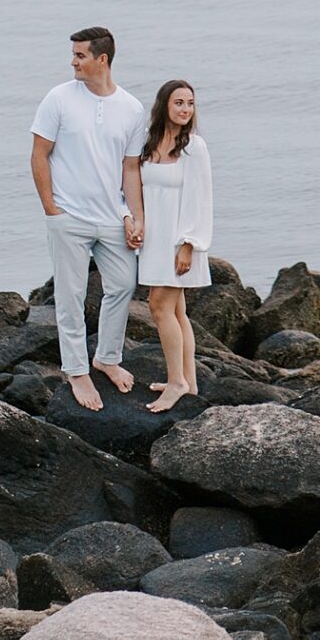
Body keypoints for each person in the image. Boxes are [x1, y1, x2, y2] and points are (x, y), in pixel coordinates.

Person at [30, 28, 147, 413]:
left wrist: (135, 217)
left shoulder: (131, 108)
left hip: (112, 217)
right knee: (70, 295)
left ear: (102, 59)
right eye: (73, 54)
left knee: (122, 284)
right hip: (69, 216)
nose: (73, 61)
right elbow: (39, 154)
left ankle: (107, 358)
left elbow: (130, 169)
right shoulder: (59, 98)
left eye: (80, 55)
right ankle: (77, 369)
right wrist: (51, 208)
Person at [137, 78, 212, 411]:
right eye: (179, 102)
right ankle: (188, 380)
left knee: (159, 307)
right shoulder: (149, 142)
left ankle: (176, 383)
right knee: (177, 310)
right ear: (165, 105)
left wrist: (189, 244)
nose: (185, 109)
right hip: (153, 238)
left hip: (178, 241)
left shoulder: (194, 147)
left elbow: (201, 199)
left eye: (190, 103)